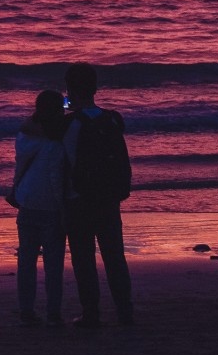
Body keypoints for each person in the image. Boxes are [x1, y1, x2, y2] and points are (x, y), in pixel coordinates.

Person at [62, 63, 134, 328]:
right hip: (108, 196)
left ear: (70, 89)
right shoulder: (113, 119)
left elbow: (61, 155)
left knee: (83, 258)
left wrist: (64, 106)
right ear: (95, 88)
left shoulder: (68, 124)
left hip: (78, 198)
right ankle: (125, 310)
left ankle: (91, 312)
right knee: (114, 255)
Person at [10, 89, 67, 327]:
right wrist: (63, 204)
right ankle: (53, 312)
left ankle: (26, 309)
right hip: (50, 206)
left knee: (26, 260)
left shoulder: (25, 135)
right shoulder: (55, 142)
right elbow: (55, 176)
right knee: (53, 263)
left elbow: (20, 165)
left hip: (26, 201)